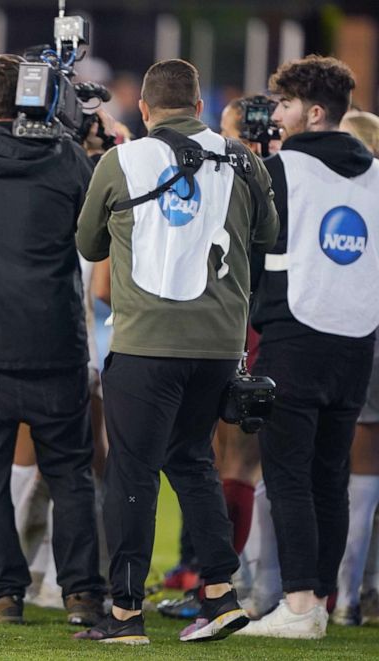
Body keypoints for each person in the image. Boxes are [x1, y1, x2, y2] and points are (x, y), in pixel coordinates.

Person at [75, 58, 278, 645]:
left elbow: (88, 243)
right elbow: (265, 236)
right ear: (199, 105)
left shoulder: (122, 160)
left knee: (132, 471)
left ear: (143, 107)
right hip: (219, 345)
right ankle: (219, 592)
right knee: (192, 462)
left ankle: (124, 614)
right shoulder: (242, 158)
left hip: (147, 341)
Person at [0, 53, 106, 627]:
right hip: (55, 338)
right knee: (71, 474)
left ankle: (3, 595)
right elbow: (89, 233)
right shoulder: (68, 158)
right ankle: (82, 594)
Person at [240, 56, 379, 640]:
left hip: (295, 334)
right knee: (329, 475)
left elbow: (248, 255)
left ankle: (298, 606)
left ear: (313, 111)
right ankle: (318, 597)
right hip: (359, 339)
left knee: (290, 473)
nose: (278, 114)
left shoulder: (278, 170)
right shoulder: (376, 173)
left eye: (287, 104)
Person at [334, 109, 379, 627]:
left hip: (363, 341)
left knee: (360, 484)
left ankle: (347, 597)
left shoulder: (352, 198)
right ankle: (367, 591)